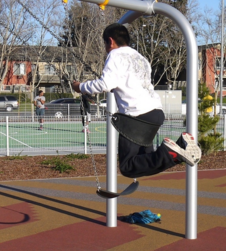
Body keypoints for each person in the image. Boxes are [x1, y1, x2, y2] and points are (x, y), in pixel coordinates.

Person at [72, 23, 201, 178]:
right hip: (155, 113)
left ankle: (170, 153)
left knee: (128, 167)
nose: (106, 48)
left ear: (110, 41)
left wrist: (81, 87)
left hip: (136, 117)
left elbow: (105, 84)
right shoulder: (140, 58)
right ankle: (181, 145)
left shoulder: (115, 55)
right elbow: (131, 83)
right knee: (144, 160)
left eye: (105, 44)